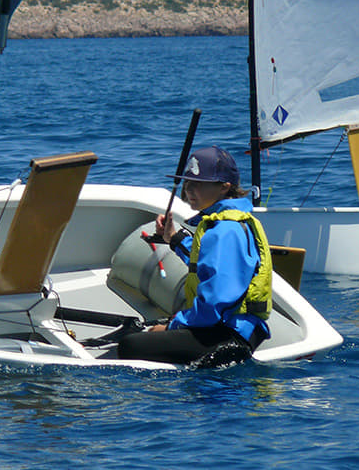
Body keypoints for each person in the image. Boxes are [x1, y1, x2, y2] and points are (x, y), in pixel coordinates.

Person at [117, 146, 272, 367]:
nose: (189, 189)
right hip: (231, 328)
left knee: (130, 345)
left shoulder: (225, 230)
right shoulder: (225, 223)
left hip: (229, 335)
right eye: (187, 183)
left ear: (224, 187)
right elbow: (205, 260)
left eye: (198, 184)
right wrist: (173, 237)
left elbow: (215, 304)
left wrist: (172, 326)